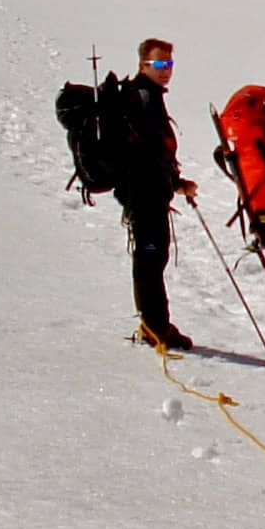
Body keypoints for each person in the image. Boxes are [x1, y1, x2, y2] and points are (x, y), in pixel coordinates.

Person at [112, 37, 198, 351]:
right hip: (143, 194)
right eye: (159, 64)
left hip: (149, 192)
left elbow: (156, 152)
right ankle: (155, 327)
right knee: (150, 260)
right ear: (143, 65)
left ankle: (156, 324)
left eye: (169, 64)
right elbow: (148, 152)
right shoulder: (141, 98)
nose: (166, 71)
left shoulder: (148, 97)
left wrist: (175, 183)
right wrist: (169, 181)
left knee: (153, 259)